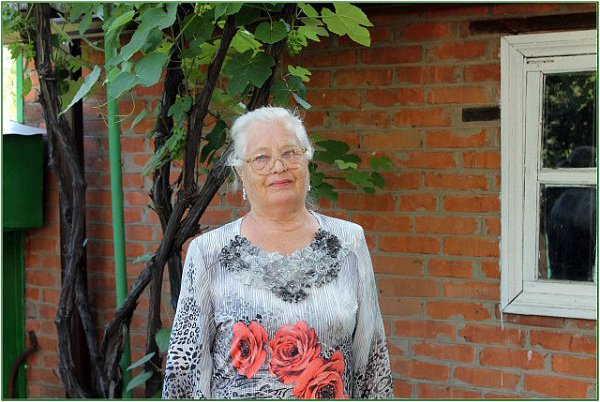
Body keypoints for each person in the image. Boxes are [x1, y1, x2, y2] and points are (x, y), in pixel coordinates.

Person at [162, 106, 394, 399]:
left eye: (290, 153)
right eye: (261, 157)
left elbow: (372, 362)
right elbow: (185, 373)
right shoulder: (208, 253)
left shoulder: (350, 242)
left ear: (307, 160)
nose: (278, 166)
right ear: (241, 172)